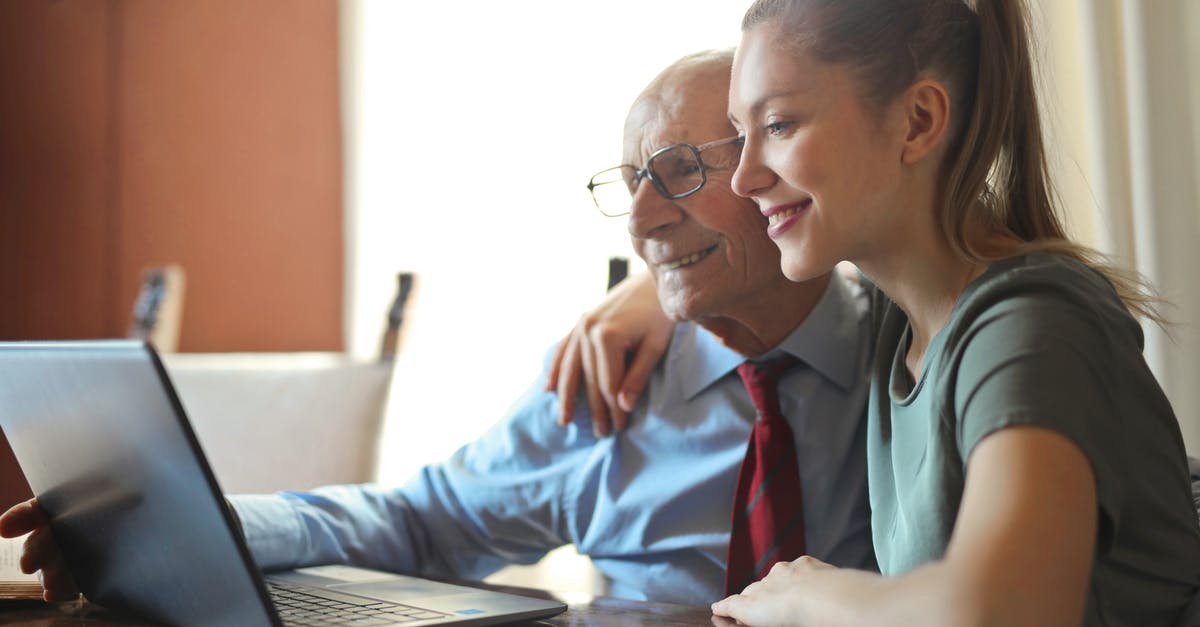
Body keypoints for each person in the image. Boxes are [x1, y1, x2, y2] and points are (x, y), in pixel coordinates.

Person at [0, 48, 877, 607]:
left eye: (680, 170)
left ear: (779, 167)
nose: (640, 220)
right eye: (631, 180)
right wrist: (199, 522)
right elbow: (422, 520)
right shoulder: (608, 382)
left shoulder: (915, 346)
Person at [551, 1, 1200, 625]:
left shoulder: (1033, 328)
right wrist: (665, 289)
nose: (746, 177)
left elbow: (1003, 613)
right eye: (742, 137)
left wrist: (810, 597)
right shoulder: (903, 321)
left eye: (777, 127)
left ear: (917, 121)